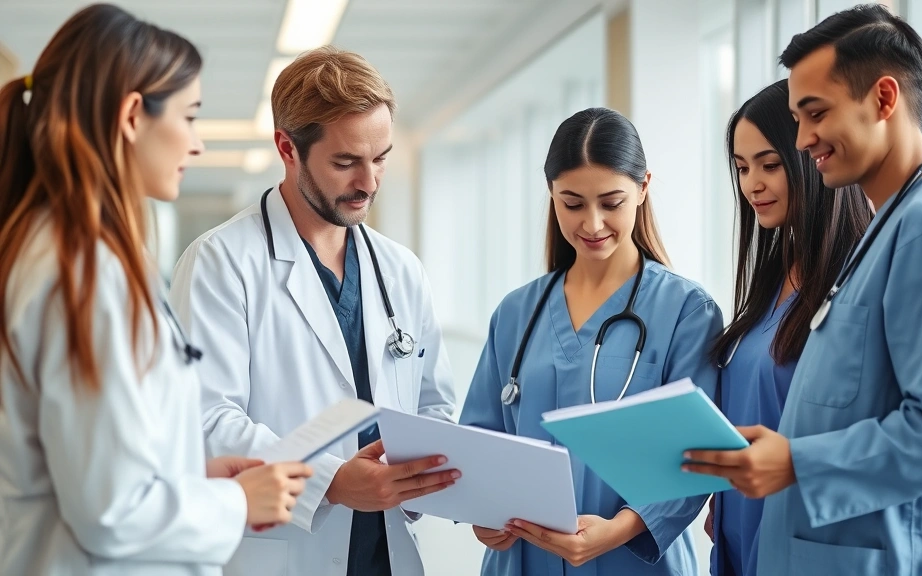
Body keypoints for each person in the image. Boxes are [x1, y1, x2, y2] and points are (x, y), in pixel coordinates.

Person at [684, 5, 922, 575]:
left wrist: (795, 461)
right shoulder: (890, 228)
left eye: (815, 113)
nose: (804, 138)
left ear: (884, 99)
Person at [0, 4, 312, 575]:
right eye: (190, 117)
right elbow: (110, 511)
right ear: (132, 115)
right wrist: (236, 503)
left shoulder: (58, 251)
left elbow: (91, 457)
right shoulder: (86, 271)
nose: (195, 144)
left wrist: (187, 475)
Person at [169, 46, 459, 576]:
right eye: (345, 162)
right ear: (288, 148)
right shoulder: (221, 262)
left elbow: (434, 405)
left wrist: (422, 476)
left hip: (387, 550)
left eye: (381, 158)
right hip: (281, 551)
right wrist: (330, 480)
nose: (369, 183)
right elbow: (206, 420)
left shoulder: (401, 269)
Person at [459, 107, 723, 575]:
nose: (593, 223)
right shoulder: (516, 313)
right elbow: (481, 438)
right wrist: (484, 514)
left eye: (611, 202)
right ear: (552, 195)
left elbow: (696, 454)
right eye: (573, 203)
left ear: (643, 188)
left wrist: (619, 528)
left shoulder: (686, 311)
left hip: (633, 559)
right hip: (522, 559)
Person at [704, 79, 871, 576]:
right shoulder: (774, 278)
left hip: (807, 538)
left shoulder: (857, 281)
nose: (751, 183)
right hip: (740, 529)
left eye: (769, 165)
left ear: (809, 157)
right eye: (741, 168)